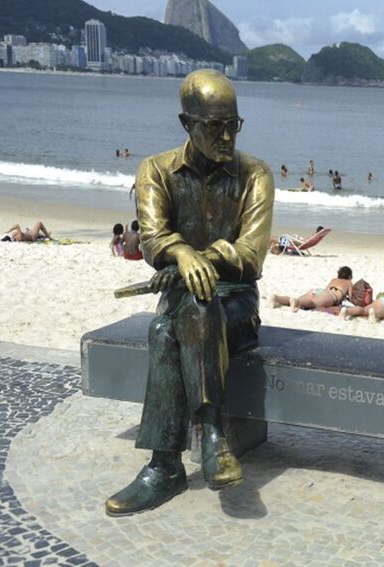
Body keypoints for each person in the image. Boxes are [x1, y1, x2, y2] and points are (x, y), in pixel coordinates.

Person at [104, 69, 274, 516]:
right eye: (213, 126)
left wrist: (206, 257)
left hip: (236, 301)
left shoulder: (255, 174)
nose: (225, 136)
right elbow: (154, 238)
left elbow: (252, 255)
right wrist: (181, 253)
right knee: (175, 318)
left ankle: (165, 468)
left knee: (170, 326)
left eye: (232, 125)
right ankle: (212, 435)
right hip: (183, 298)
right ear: (187, 124)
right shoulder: (156, 171)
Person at [269, 266, 353, 312]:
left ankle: (277, 298)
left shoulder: (334, 280)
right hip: (331, 296)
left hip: (320, 291)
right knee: (313, 303)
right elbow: (353, 298)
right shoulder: (349, 283)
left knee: (301, 299)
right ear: (349, 276)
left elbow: (326, 289)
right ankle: (296, 302)